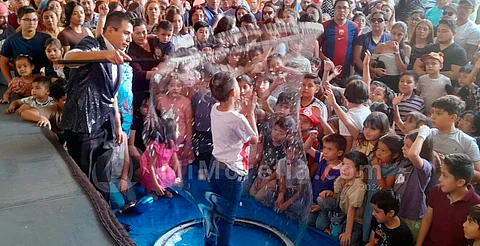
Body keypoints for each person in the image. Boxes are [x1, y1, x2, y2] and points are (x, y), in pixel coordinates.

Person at [60, 11, 133, 197]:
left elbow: (112, 94)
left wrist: (117, 122)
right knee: (85, 179)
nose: (129, 39)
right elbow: (69, 58)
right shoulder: (92, 44)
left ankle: (107, 219)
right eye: (126, 33)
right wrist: (105, 54)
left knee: (102, 176)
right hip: (84, 125)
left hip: (105, 124)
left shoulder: (117, 53)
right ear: (110, 29)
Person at [206, 71, 259, 246]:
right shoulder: (238, 119)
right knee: (227, 218)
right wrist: (250, 112)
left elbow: (232, 119)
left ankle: (210, 243)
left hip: (215, 164)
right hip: (231, 170)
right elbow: (254, 139)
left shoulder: (215, 109)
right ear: (233, 93)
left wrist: (243, 112)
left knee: (214, 211)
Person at [416, 153, 480, 246]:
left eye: (445, 175)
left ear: (460, 182)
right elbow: (427, 219)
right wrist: (419, 244)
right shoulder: (437, 190)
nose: (440, 179)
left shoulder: (476, 204)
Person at [427, 95, 480, 191]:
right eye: (432, 112)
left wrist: (451, 165)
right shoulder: (426, 134)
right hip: (424, 189)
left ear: (453, 117)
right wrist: (430, 152)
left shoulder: (467, 141)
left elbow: (478, 175)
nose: (433, 116)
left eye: (438, 113)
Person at [316, 151, 367, 246]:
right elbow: (340, 196)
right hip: (342, 211)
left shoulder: (358, 186)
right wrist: (330, 194)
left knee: (347, 242)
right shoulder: (342, 178)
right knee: (321, 200)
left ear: (358, 173)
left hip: (354, 220)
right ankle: (331, 219)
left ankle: (343, 228)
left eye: (348, 167)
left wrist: (348, 233)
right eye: (343, 164)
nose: (343, 169)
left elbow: (352, 210)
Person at [394, 127, 433, 240]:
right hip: (399, 211)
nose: (403, 148)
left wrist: (422, 135)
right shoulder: (404, 162)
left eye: (408, 146)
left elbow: (413, 154)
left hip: (413, 216)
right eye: (404, 144)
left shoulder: (424, 166)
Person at [1, 6, 52, 84]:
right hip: (22, 82)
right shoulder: (11, 40)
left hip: (43, 81)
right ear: (19, 21)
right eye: (27, 20)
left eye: (34, 20)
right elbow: (3, 62)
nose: (31, 23)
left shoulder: (46, 38)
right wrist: (10, 81)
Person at [307, 133, 346, 229]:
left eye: (330, 149)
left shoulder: (342, 170)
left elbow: (338, 194)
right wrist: (311, 138)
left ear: (339, 153)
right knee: (307, 221)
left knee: (320, 226)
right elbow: (307, 148)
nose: (325, 151)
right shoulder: (322, 158)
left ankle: (328, 217)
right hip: (313, 200)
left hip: (325, 205)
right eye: (324, 147)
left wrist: (321, 207)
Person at [139, 118, 182, 199]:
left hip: (162, 167)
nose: (178, 132)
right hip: (150, 167)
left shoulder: (171, 143)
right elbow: (151, 166)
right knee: (155, 177)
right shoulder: (156, 145)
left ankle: (163, 189)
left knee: (170, 175)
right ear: (170, 133)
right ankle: (150, 190)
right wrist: (155, 184)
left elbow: (176, 161)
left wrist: (179, 176)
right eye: (177, 130)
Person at [413, 20, 467, 84]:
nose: (440, 34)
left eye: (444, 31)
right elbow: (416, 66)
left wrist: (434, 74)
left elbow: (455, 74)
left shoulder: (459, 51)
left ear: (454, 33)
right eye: (438, 31)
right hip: (426, 84)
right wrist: (424, 75)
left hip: (447, 86)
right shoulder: (429, 48)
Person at [317, 0, 358, 84]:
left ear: (349, 10)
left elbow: (355, 50)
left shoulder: (354, 27)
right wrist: (326, 60)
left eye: (344, 8)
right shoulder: (324, 26)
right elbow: (316, 49)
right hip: (326, 73)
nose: (342, 10)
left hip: (345, 74)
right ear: (334, 9)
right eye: (339, 8)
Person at [371, 21, 411, 93]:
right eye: (394, 33)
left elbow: (402, 70)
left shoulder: (407, 48)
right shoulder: (381, 46)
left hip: (396, 81)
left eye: (399, 35)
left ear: (404, 36)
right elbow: (369, 65)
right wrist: (375, 70)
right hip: (381, 80)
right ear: (390, 32)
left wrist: (397, 53)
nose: (395, 37)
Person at [392, 71, 425, 136]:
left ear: (415, 85)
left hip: (409, 138)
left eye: (409, 82)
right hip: (391, 137)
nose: (404, 84)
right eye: (402, 81)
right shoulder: (391, 97)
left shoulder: (420, 101)